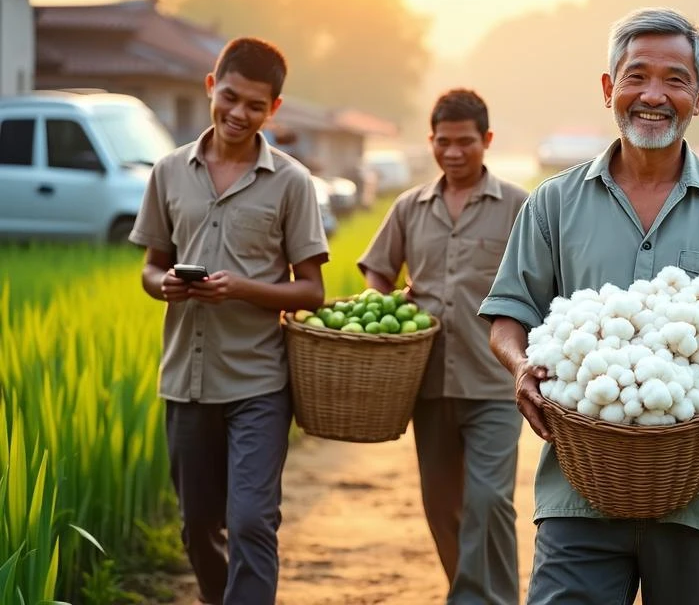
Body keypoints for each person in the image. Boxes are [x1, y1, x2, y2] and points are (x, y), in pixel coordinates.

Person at [480, 7, 699, 604]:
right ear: (608, 89)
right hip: (579, 488)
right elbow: (508, 314)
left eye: (675, 80)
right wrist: (520, 367)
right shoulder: (553, 204)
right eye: (636, 76)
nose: (653, 95)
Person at [129, 37, 330, 605]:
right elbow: (151, 267)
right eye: (231, 97)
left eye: (256, 106)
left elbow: (311, 290)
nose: (239, 114)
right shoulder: (169, 171)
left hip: (257, 383)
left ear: (274, 109)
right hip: (186, 383)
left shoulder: (291, 181)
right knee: (197, 528)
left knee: (251, 522)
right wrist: (164, 285)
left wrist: (240, 288)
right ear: (211, 87)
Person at [357, 88, 528, 605]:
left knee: (489, 501)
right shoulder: (410, 207)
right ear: (430, 140)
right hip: (428, 382)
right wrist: (383, 309)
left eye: (465, 142)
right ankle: (470, 593)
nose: (453, 153)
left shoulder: (518, 206)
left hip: (494, 382)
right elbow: (378, 271)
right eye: (443, 142)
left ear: (487, 140)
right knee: (440, 504)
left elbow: (545, 281)